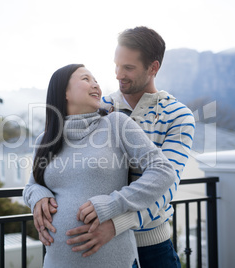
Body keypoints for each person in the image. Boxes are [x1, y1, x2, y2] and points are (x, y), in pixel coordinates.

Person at [34, 27, 195, 267]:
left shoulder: (177, 116)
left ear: (153, 68)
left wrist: (116, 225)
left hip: (151, 246)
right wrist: (40, 197)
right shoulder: (100, 105)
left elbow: (166, 184)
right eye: (116, 65)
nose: (119, 75)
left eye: (128, 68)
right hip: (96, 248)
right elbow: (57, 163)